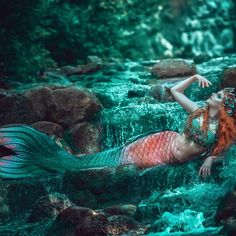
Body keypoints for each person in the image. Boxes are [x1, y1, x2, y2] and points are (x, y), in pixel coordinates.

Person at [0, 74, 235, 179]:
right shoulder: (197, 111)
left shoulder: (223, 129)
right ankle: (40, 155)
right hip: (159, 142)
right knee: (111, 161)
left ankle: (34, 157)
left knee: (117, 166)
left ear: (224, 107)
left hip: (169, 157)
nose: (213, 93)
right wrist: (193, 77)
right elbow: (174, 91)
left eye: (218, 95)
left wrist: (211, 158)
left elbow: (223, 145)